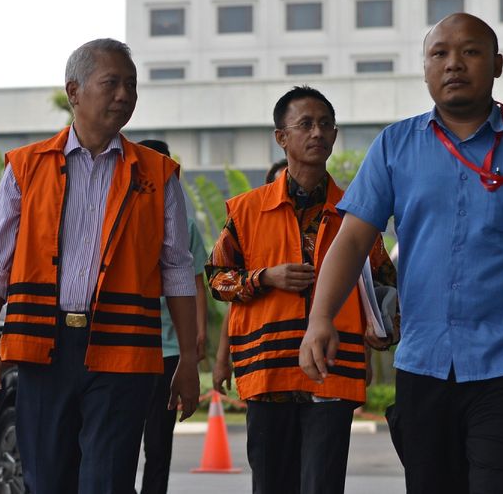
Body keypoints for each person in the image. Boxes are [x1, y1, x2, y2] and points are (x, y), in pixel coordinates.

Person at [299, 13, 503, 493]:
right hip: (423, 368)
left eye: (470, 52)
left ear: (496, 64)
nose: (454, 63)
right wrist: (321, 317)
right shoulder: (395, 145)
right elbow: (350, 240)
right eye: (440, 54)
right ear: (426, 69)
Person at [0, 38, 200, 494]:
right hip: (43, 350)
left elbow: (177, 268)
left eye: (131, 85)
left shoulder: (157, 175)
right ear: (74, 91)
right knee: (47, 479)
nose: (123, 95)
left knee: (108, 482)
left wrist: (189, 360)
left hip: (123, 353)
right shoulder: (25, 167)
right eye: (111, 83)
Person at [206, 85, 397, 494]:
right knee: (271, 485)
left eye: (326, 125)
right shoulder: (246, 210)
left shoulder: (357, 210)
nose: (317, 133)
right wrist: (264, 277)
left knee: (323, 486)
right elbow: (217, 280)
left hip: (333, 370)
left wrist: (383, 325)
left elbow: (383, 282)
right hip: (268, 370)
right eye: (306, 124)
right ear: (282, 137)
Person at [137, 139, 209, 494]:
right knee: (119, 437)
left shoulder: (186, 226)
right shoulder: (123, 217)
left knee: (159, 440)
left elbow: (196, 281)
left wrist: (193, 337)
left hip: (168, 350)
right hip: (128, 346)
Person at [212, 158, 288, 394]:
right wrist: (263, 278)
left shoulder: (332, 218)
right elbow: (220, 283)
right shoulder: (248, 226)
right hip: (263, 362)